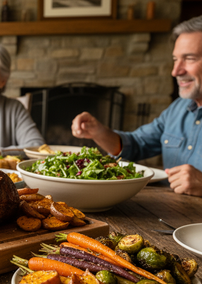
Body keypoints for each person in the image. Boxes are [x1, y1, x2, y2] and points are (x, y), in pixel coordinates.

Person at [71, 15, 202, 197]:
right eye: (175, 59)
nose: (176, 71)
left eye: (189, 58)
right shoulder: (177, 109)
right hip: (166, 215)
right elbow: (137, 144)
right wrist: (99, 132)